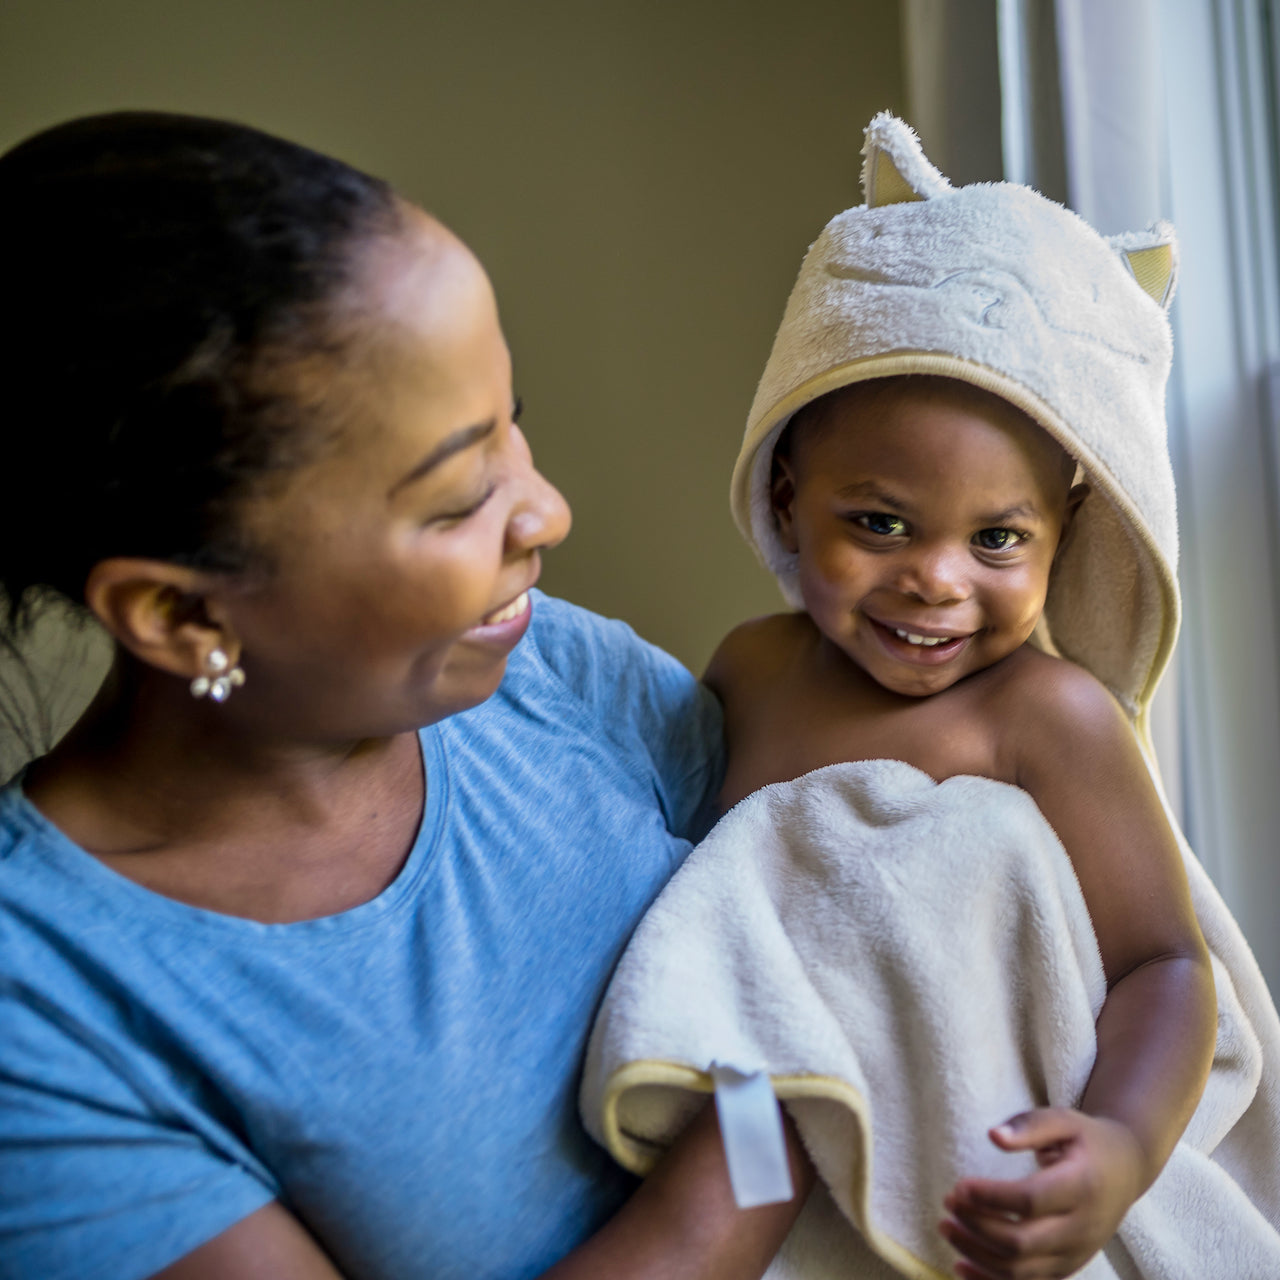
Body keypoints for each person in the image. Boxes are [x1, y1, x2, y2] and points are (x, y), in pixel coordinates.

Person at [0, 111, 814, 1279]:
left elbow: (823, 863)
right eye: (458, 496)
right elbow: (802, 988)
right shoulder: (44, 1012)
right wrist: (774, 1117)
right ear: (183, 615)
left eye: (511, 429)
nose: (545, 514)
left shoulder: (548, 675)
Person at [582, 113, 1280, 1280]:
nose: (934, 578)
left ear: (1062, 537)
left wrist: (1112, 1142)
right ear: (787, 496)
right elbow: (725, 934)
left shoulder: (1043, 717)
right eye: (878, 523)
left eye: (997, 537)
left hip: (990, 1152)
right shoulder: (746, 669)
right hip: (778, 1117)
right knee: (717, 1202)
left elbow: (1163, 965)